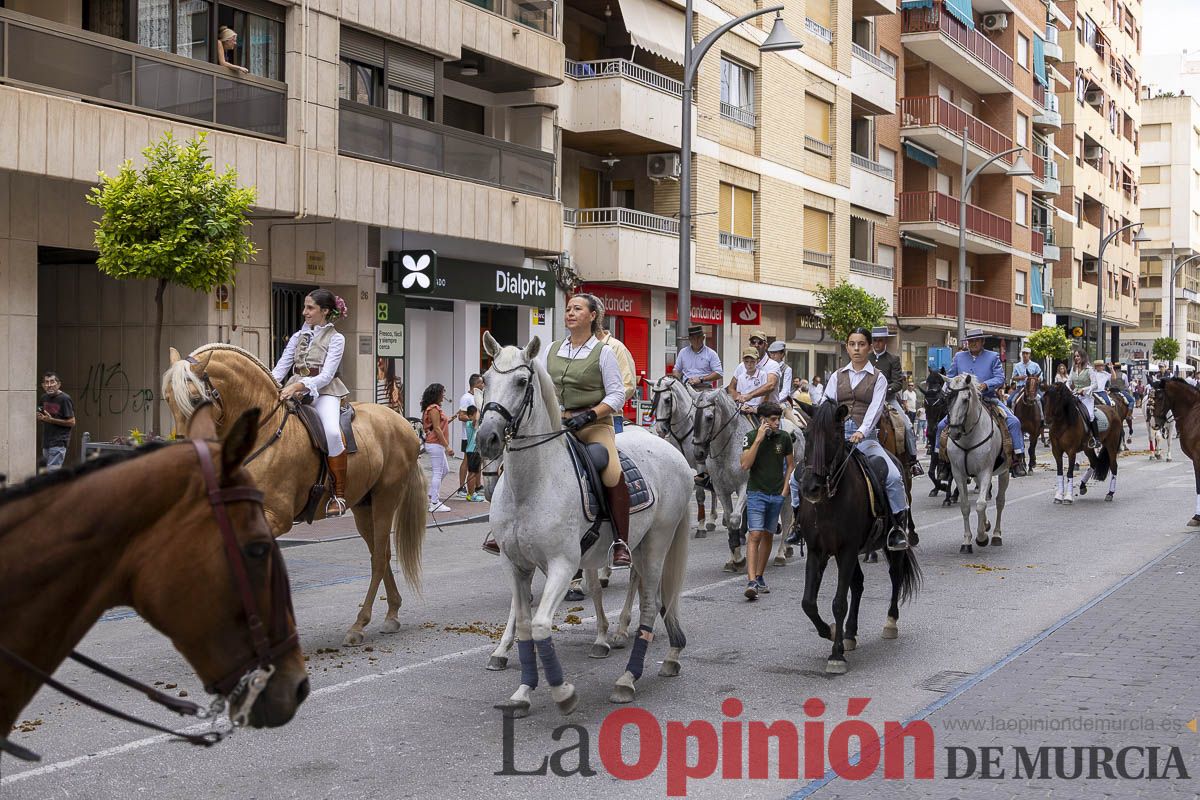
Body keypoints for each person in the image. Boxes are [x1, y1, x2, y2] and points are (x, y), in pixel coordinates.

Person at [545, 293, 631, 567]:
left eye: (577, 309)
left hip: (594, 425)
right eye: (568, 308)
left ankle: (621, 541)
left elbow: (618, 394)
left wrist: (591, 414)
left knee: (612, 471)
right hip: (559, 424)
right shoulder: (551, 349)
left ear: (592, 316)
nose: (569, 312)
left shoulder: (604, 351)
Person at [822, 327, 911, 551]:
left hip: (867, 439)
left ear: (869, 347)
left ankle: (897, 527)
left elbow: (875, 409)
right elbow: (826, 404)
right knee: (799, 475)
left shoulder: (878, 378)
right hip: (838, 437)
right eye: (852, 344)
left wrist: (861, 431)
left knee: (892, 477)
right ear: (847, 347)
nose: (857, 349)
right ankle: (797, 523)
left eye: (861, 344)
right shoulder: (836, 376)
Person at [272, 289, 351, 515]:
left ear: (324, 311)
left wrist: (299, 386)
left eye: (310, 308)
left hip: (325, 391)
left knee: (332, 432)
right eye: (305, 307)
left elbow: (326, 375)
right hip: (293, 388)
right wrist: (268, 383)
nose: (304, 312)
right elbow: (280, 369)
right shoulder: (298, 337)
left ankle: (339, 495)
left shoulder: (336, 338)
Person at [934, 328, 1028, 477]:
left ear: (983, 341)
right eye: (970, 341)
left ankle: (1017, 459)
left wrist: (985, 385)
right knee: (941, 426)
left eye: (976, 340)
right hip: (963, 401)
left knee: (1014, 421)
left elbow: (1000, 378)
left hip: (988, 399)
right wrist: (947, 388)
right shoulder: (959, 357)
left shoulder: (992, 357)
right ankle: (942, 462)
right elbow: (951, 377)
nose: (973, 343)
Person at [738, 401, 794, 600]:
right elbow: (745, 465)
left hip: (777, 494)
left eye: (778, 419)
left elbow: (790, 466)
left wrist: (785, 490)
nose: (777, 423)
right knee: (755, 535)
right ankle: (751, 581)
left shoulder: (785, 437)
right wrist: (759, 440)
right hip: (756, 493)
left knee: (768, 535)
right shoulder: (750, 437)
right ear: (763, 421)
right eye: (773, 419)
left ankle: (760, 576)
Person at [869, 326, 922, 476]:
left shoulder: (893, 359)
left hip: (888, 400)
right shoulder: (867, 359)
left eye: (880, 340)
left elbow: (898, 383)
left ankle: (912, 460)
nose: (877, 344)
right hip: (867, 401)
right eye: (875, 341)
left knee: (907, 426)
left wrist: (884, 390)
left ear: (885, 341)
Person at [421, 383, 454, 513]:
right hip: (436, 444)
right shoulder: (434, 408)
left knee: (445, 470)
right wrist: (447, 446)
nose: (443, 395)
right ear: (436, 394)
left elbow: (438, 425)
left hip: (434, 444)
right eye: (442, 392)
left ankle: (432, 493)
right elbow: (437, 428)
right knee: (438, 472)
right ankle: (434, 503)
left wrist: (451, 418)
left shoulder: (431, 408)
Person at [37, 371, 75, 472]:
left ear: (58, 384)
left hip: (59, 442)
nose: (49, 385)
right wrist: (40, 417)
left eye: (52, 382)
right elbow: (40, 413)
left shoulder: (65, 399)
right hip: (46, 442)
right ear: (43, 385)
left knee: (52, 472)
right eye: (46, 382)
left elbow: (72, 422)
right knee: (45, 472)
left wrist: (51, 420)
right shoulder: (43, 398)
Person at [457, 374, 484, 498]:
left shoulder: (479, 397)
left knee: (477, 463)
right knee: (467, 462)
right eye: (481, 383)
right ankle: (462, 487)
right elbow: (461, 416)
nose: (483, 385)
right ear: (475, 384)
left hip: (477, 437)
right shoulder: (466, 398)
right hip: (468, 437)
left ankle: (477, 486)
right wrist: (474, 420)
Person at [672, 324, 723, 388]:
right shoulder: (683, 352)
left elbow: (719, 373)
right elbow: (676, 369)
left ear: (703, 338)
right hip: (686, 387)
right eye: (693, 338)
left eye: (698, 338)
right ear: (689, 339)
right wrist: (677, 381)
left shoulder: (711, 353)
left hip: (704, 388)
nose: (696, 341)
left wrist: (701, 379)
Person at [1068, 350, 1100, 446]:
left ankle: (1096, 438)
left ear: (1083, 357)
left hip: (1086, 397)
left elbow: (1095, 385)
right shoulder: (1073, 369)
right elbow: (1068, 381)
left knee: (1090, 415)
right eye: (1075, 356)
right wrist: (1068, 389)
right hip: (1074, 396)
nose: (1076, 358)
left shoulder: (1089, 370)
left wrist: (1084, 389)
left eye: (1078, 356)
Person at [765, 341, 796, 424]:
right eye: (771, 353)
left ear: (782, 354)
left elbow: (785, 391)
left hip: (780, 402)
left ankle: (797, 434)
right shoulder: (766, 367)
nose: (772, 355)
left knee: (794, 427)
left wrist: (775, 401)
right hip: (765, 401)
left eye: (775, 353)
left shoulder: (786, 369)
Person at [462, 405, 485, 501]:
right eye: (476, 414)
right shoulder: (470, 423)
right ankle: (471, 494)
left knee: (474, 472)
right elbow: (476, 420)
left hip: (473, 451)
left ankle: (471, 493)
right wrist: (479, 408)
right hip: (473, 451)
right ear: (471, 416)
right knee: (472, 473)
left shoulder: (472, 423)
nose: (477, 416)